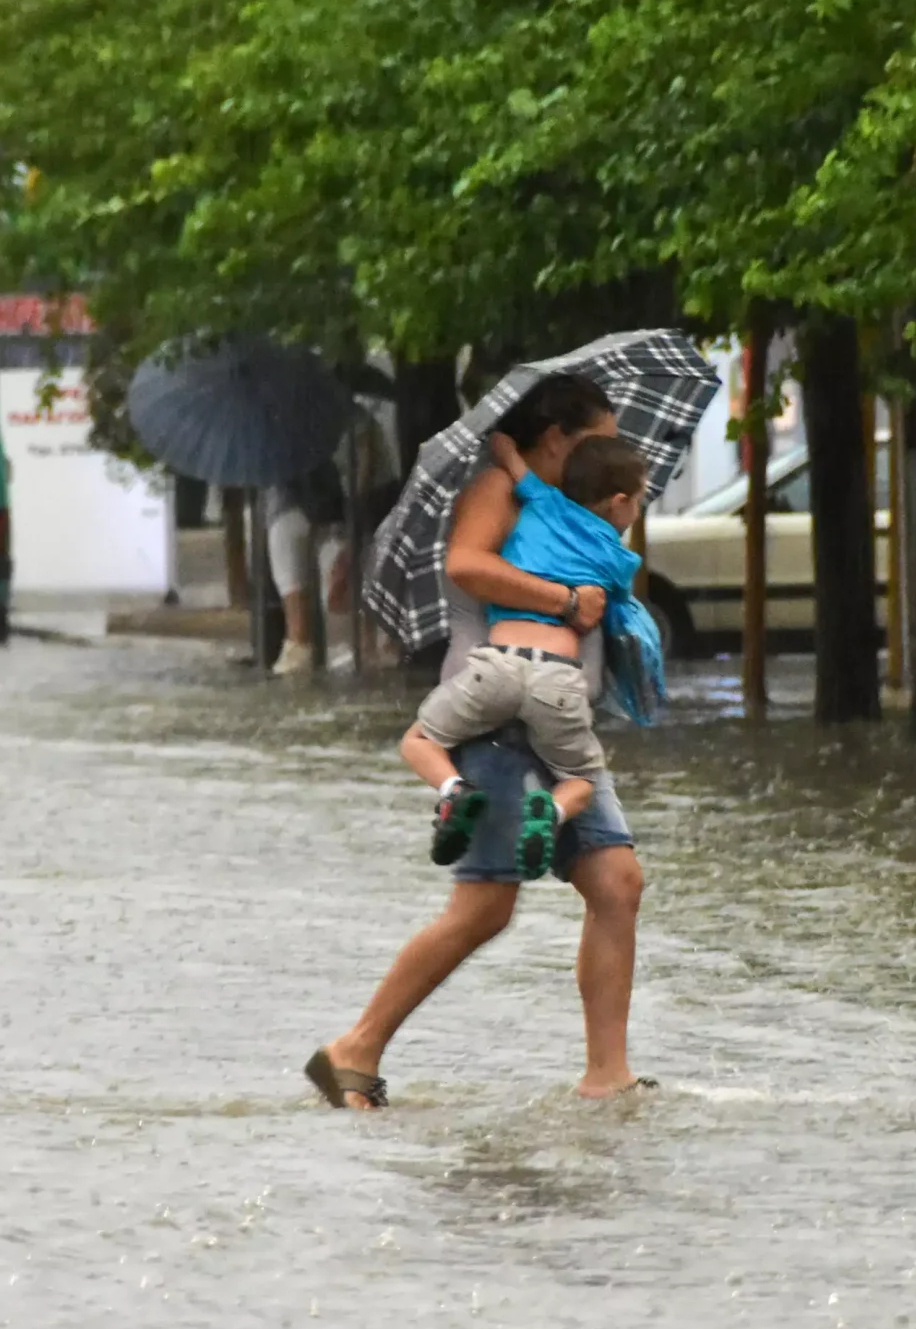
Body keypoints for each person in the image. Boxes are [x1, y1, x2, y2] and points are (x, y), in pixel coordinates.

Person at [305, 374, 648, 1109]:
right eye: (599, 439)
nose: (609, 453)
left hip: (560, 721)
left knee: (617, 883)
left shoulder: (568, 508)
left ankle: (607, 1076)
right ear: (554, 439)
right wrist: (567, 598)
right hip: (496, 723)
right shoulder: (497, 489)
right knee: (484, 906)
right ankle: (354, 1048)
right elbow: (468, 563)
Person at [400, 430, 655, 878]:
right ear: (618, 503)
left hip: (496, 666)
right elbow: (613, 613)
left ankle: (454, 791)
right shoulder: (618, 558)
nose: (639, 509)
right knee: (581, 780)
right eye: (640, 501)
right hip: (558, 680)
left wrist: (505, 448)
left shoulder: (541, 505)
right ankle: (550, 811)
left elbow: (519, 472)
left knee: (417, 740)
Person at [261, 461, 349, 674]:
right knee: (337, 605)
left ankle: (297, 670)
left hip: (285, 510)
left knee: (298, 628)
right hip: (328, 511)